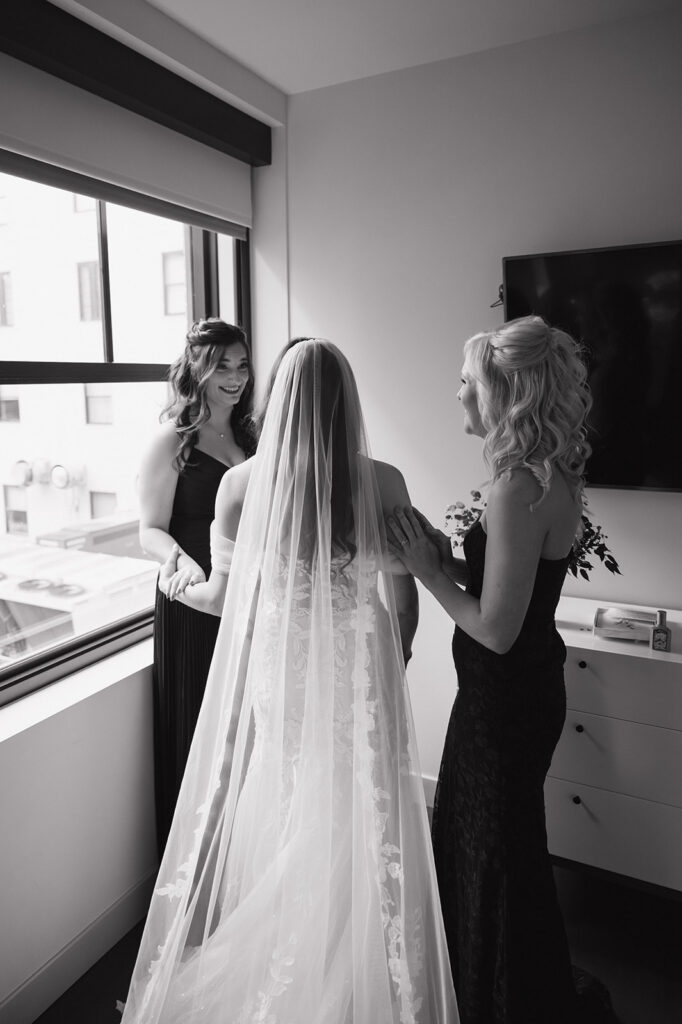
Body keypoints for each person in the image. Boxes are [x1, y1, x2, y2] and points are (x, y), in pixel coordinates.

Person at [121, 339, 458, 1024]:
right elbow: (406, 593)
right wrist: (401, 655)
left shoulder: (240, 486)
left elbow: (221, 599)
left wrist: (173, 580)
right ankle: (347, 964)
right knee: (358, 812)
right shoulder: (383, 480)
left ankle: (285, 958)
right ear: (346, 404)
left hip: (285, 685)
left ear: (277, 398)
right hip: (360, 683)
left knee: (284, 806)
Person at [387, 316, 618, 1024]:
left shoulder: (516, 489)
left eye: (465, 381)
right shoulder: (549, 476)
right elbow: (503, 591)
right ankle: (504, 983)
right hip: (517, 691)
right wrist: (443, 555)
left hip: (503, 698)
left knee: (493, 853)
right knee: (499, 845)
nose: (457, 394)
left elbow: (493, 627)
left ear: (502, 390)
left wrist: (430, 574)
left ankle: (504, 998)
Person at [138, 318, 257, 856]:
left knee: (244, 740)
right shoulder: (174, 440)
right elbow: (149, 530)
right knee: (199, 734)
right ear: (198, 370)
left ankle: (238, 871)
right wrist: (183, 564)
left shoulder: (253, 435)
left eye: (241, 364)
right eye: (222, 366)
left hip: (248, 602)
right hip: (194, 600)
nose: (235, 377)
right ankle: (189, 882)